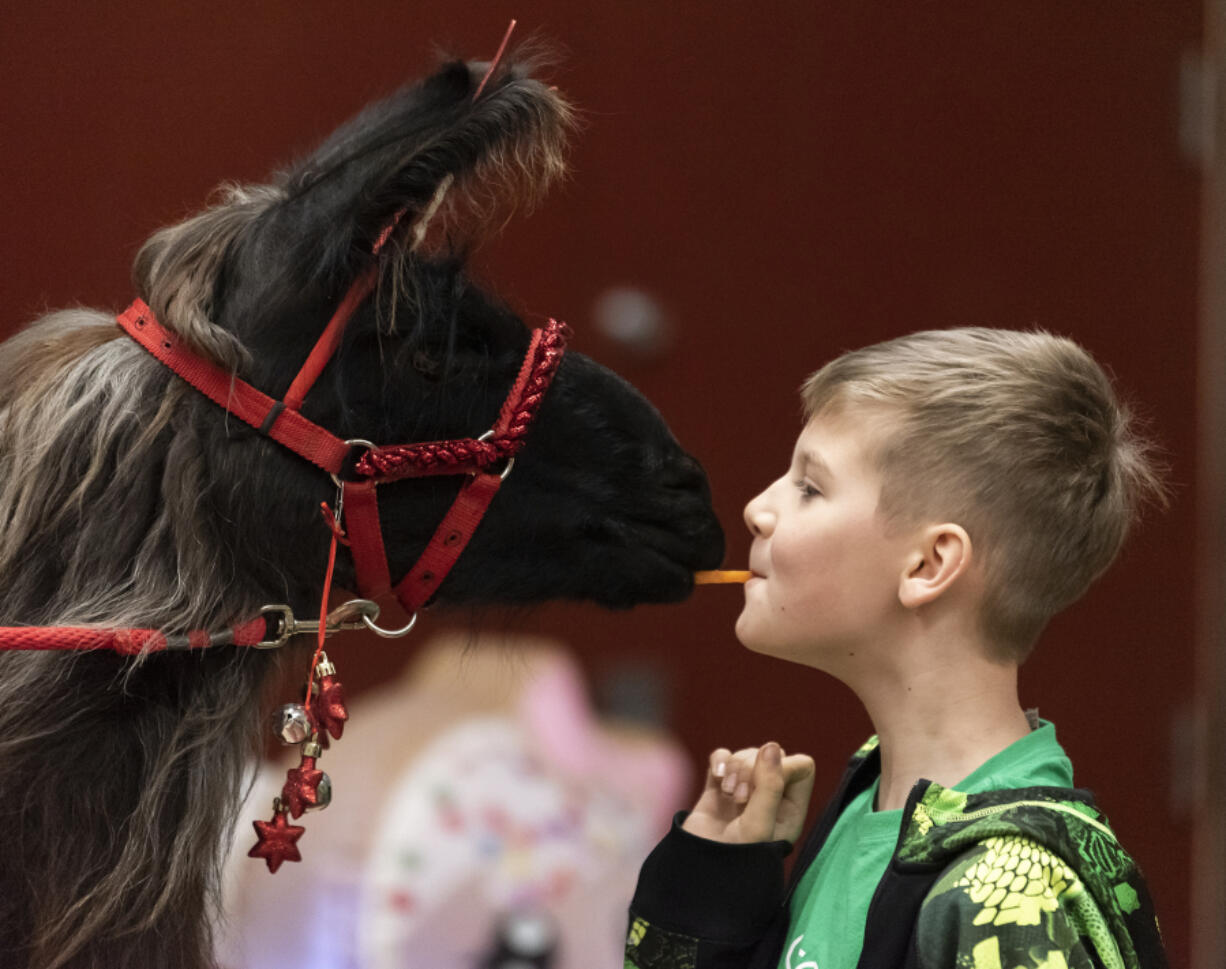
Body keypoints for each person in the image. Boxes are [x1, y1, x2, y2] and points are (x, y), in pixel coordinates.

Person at [624, 328, 1170, 969]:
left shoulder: (1015, 896)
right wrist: (711, 896)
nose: (756, 509)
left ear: (929, 564)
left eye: (809, 487)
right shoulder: (871, 800)